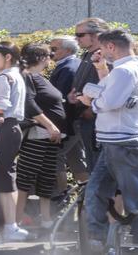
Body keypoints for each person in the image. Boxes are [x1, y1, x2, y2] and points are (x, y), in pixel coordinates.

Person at [76, 29, 138, 250]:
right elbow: (110, 94)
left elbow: (108, 102)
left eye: (103, 48)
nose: (101, 53)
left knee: (135, 198)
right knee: (102, 191)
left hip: (124, 141)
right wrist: (101, 78)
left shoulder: (125, 71)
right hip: (122, 141)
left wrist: (89, 102)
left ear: (111, 46)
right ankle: (104, 240)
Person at [13, 42, 65, 228]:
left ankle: (46, 219)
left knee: (46, 177)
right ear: (42, 58)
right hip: (38, 134)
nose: (51, 58)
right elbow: (29, 103)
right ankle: (16, 221)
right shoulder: (27, 76)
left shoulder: (40, 77)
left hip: (50, 136)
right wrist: (50, 125)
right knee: (26, 177)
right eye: (49, 55)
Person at [0, 39, 27, 242]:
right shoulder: (15, 75)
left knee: (3, 176)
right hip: (12, 129)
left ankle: (9, 226)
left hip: (4, 129)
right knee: (5, 175)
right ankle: (10, 225)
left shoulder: (4, 77)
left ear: (8, 57)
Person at [68, 17, 107, 178]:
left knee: (101, 172)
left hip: (97, 121)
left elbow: (108, 87)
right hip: (83, 118)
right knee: (93, 168)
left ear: (96, 35)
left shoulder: (105, 56)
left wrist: (92, 109)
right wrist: (73, 97)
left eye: (80, 34)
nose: (76, 39)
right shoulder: (86, 55)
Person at [47, 34, 85, 184]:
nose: (50, 52)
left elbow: (60, 99)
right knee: (76, 159)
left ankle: (61, 196)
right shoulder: (73, 64)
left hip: (67, 122)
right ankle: (86, 198)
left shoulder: (68, 68)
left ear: (67, 50)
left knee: (54, 156)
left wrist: (55, 125)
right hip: (74, 121)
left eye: (54, 48)